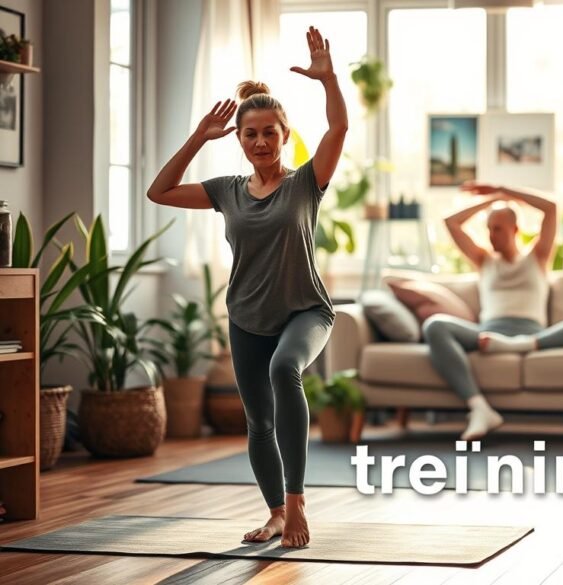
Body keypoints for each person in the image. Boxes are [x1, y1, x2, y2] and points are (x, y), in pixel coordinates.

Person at [146, 26, 346, 549]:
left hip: (306, 311)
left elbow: (339, 128)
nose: (260, 142)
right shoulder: (226, 192)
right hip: (247, 316)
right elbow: (158, 191)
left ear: (284, 134)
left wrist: (328, 81)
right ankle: (276, 514)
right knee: (258, 421)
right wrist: (197, 137)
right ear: (239, 138)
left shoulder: (306, 183)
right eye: (249, 133)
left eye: (269, 133)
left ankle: (298, 502)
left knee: (286, 370)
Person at [426, 183, 563, 441]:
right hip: (487, 335)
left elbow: (550, 209)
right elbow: (451, 223)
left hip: (532, 333)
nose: (492, 235)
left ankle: (517, 346)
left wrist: (505, 191)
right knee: (435, 326)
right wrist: (491, 200)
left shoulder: (537, 257)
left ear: (515, 230)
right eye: (489, 229)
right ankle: (480, 408)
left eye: (498, 229)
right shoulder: (483, 261)